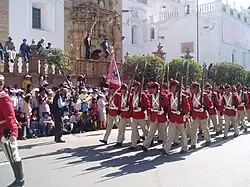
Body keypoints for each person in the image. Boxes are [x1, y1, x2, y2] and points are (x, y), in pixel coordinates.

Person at [0, 74, 25, 187]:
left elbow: (10, 116)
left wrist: (8, 133)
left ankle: (19, 180)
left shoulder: (3, 97)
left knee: (12, 155)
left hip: (5, 130)